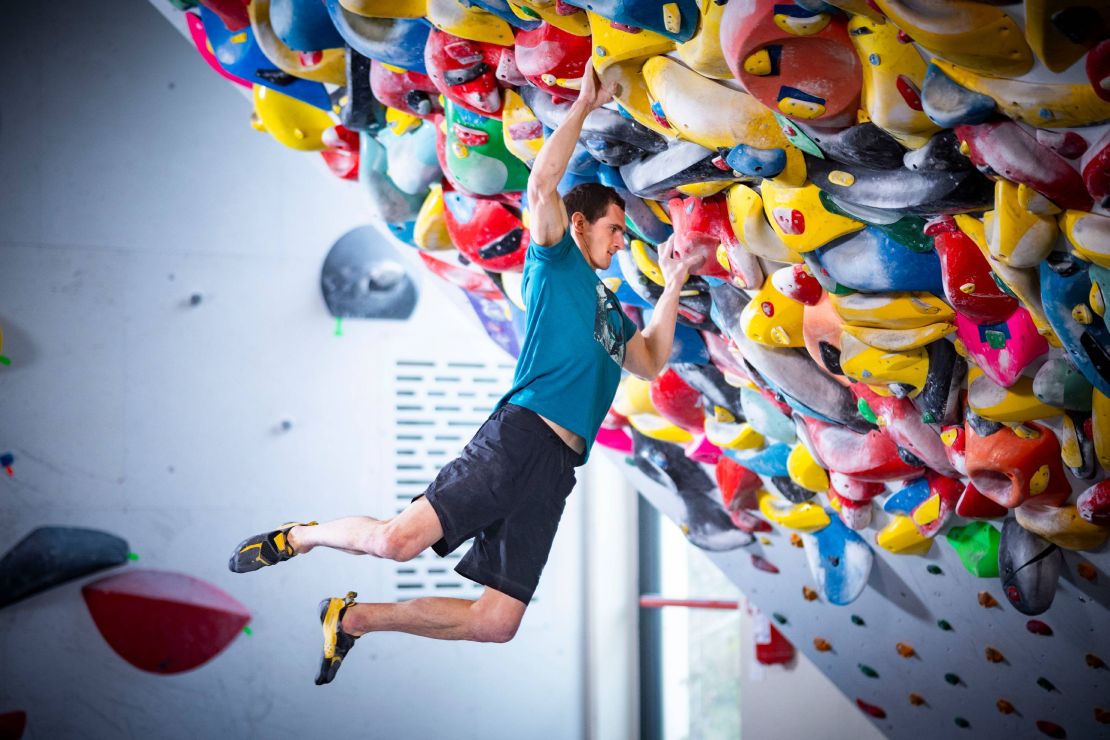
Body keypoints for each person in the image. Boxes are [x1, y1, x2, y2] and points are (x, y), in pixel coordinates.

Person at [226, 62, 705, 685]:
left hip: (557, 468)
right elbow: (543, 183)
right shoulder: (557, 263)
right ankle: (301, 537)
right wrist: (583, 106)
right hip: (519, 437)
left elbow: (651, 359)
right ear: (579, 225)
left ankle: (353, 619)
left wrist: (673, 280)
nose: (620, 244)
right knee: (395, 543)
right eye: (615, 230)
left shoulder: (611, 311)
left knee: (496, 622)